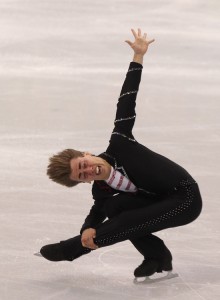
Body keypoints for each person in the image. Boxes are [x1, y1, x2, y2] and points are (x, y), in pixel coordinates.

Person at [40, 28, 202, 278]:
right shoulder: (101, 188)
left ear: (86, 153)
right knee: (115, 207)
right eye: (83, 176)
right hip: (158, 203)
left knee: (124, 221)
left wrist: (138, 57)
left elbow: (127, 100)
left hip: (185, 198)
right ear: (83, 182)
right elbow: (98, 209)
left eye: (83, 164)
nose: (89, 170)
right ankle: (158, 258)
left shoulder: (120, 143)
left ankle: (72, 249)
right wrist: (88, 227)